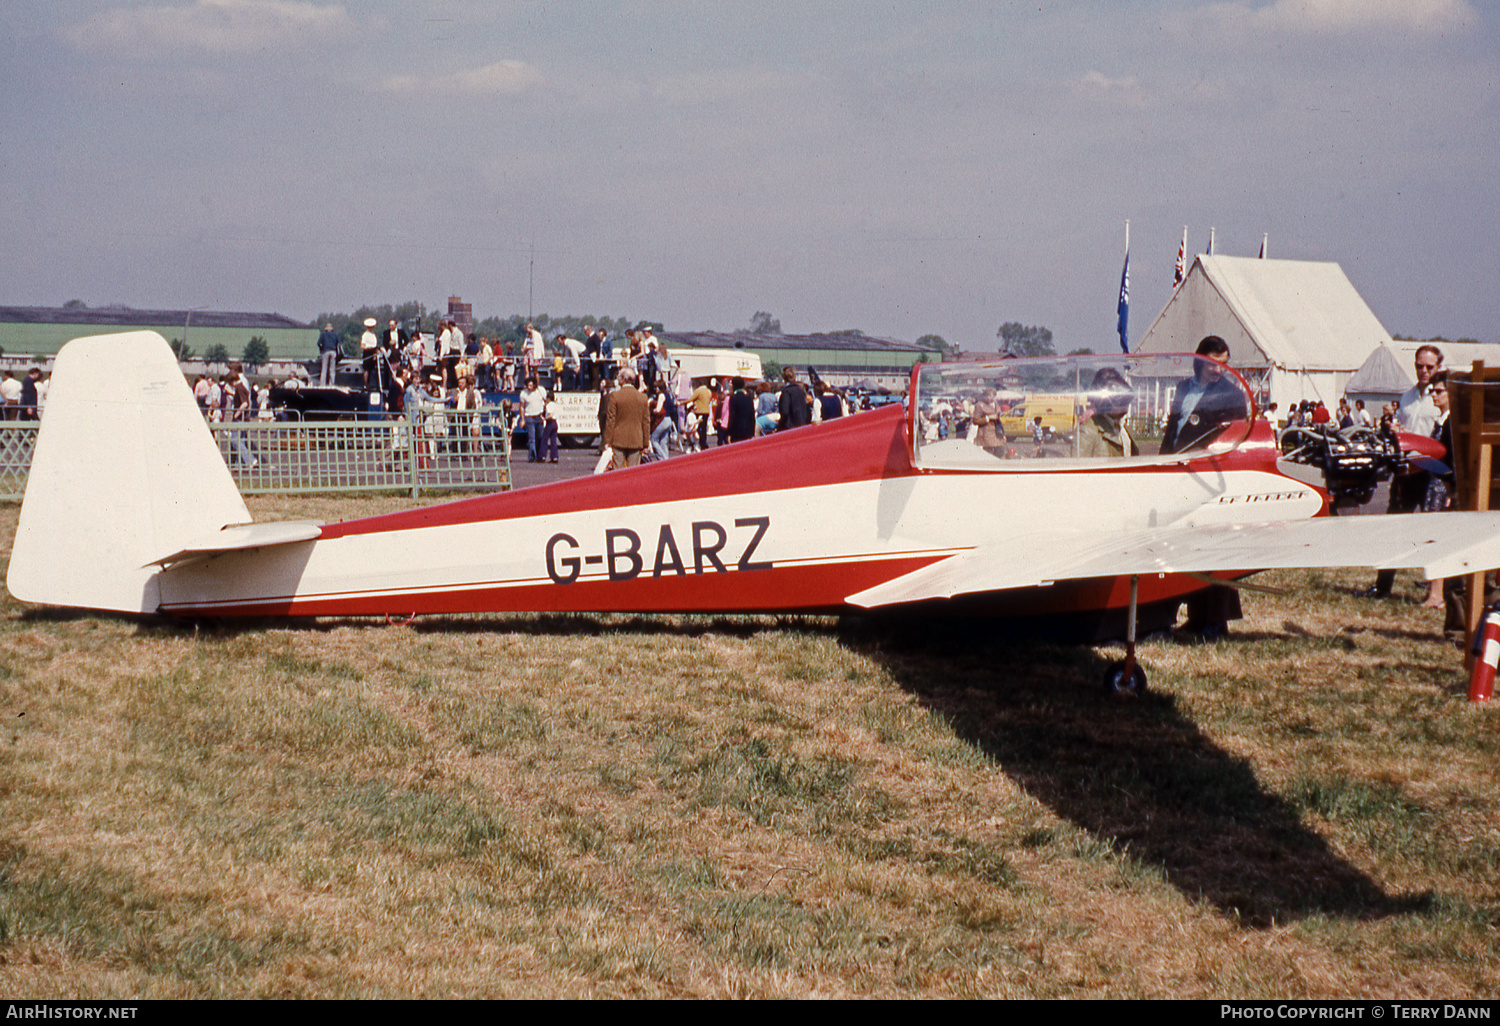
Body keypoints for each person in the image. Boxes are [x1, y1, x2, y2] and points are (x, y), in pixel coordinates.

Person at [1364, 344, 1444, 598]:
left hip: (1430, 471)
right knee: (1394, 528)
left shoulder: (1442, 396)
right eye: (1419, 366)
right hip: (1406, 471)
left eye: (1429, 367)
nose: (1424, 371)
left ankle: (1435, 591)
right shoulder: (1407, 397)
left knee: (1434, 533)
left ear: (1438, 367)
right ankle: (1383, 586)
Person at [1160, 335, 1243, 454]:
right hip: (1174, 462)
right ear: (1200, 361)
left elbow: (1235, 441)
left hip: (1204, 466)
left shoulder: (1233, 395)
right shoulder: (1183, 387)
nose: (1218, 370)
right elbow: (1172, 431)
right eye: (1212, 364)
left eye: (1223, 364)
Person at [1077, 367, 1138, 458]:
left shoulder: (1123, 428)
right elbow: (1076, 467)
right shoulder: (1088, 430)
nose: (1126, 406)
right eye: (1120, 401)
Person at [603, 367, 651, 469]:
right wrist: (646, 443)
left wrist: (607, 441)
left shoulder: (615, 396)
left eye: (619, 377)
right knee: (633, 473)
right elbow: (646, 422)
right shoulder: (642, 398)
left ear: (623, 379)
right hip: (636, 440)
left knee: (618, 473)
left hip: (618, 440)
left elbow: (611, 420)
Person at [520, 376, 547, 463]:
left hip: (539, 416)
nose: (529, 387)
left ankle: (540, 455)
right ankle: (531, 456)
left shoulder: (541, 390)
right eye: (528, 385)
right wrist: (522, 419)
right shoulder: (523, 393)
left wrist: (544, 414)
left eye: (531, 385)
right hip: (529, 417)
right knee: (532, 438)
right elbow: (522, 407)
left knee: (540, 437)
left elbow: (546, 402)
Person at [727, 377, 756, 443]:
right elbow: (752, 415)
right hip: (748, 430)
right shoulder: (749, 398)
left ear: (734, 386)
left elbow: (732, 416)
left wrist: (729, 432)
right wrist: (752, 431)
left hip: (736, 431)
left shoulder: (733, 398)